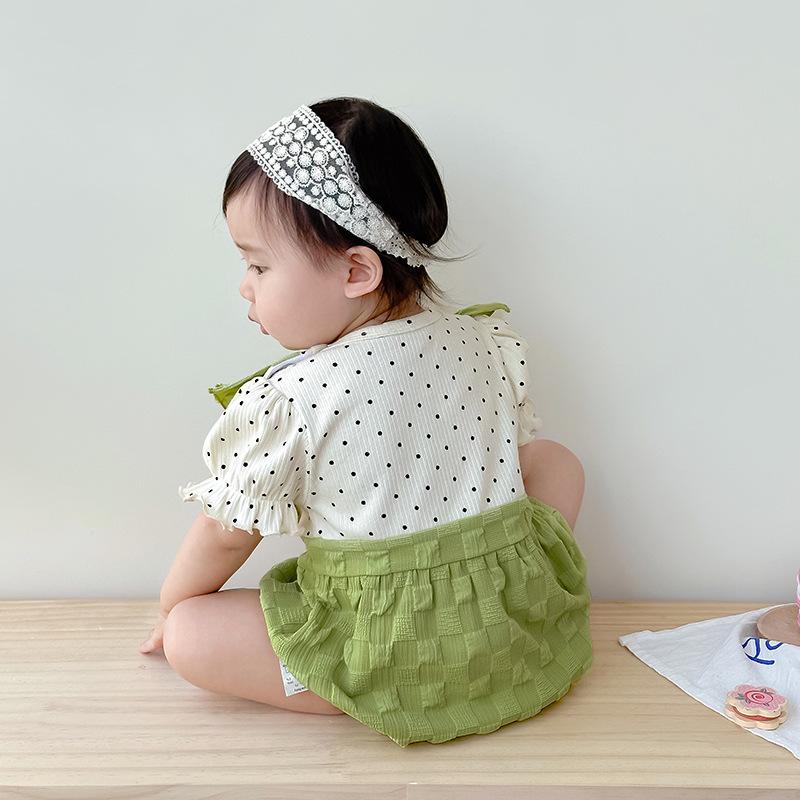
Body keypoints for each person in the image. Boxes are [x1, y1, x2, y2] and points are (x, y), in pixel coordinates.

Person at [139, 97, 593, 747]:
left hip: (382, 641)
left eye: (258, 264)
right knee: (553, 460)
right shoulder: (484, 341)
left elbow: (224, 531)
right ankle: (489, 648)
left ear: (356, 270)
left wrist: (170, 606)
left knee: (192, 634)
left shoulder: (292, 397)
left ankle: (368, 689)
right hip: (502, 622)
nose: (245, 285)